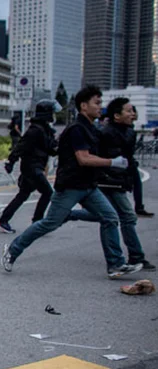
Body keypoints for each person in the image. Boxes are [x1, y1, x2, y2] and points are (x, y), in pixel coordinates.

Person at [1, 85, 142, 279]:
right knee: (49, 223)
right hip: (70, 186)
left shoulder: (90, 128)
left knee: (110, 217)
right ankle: (13, 250)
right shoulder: (77, 129)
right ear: (84, 106)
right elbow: (83, 158)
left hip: (89, 186)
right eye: (97, 103)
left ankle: (115, 264)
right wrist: (113, 162)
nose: (100, 107)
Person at [67, 98, 155, 271]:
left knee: (106, 216)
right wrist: (107, 175)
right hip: (108, 181)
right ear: (116, 115)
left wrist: (134, 187)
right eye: (129, 111)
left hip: (120, 181)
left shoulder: (130, 132)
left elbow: (129, 161)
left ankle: (69, 214)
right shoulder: (105, 133)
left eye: (133, 111)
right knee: (125, 217)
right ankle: (134, 256)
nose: (133, 114)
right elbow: (93, 157)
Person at [0, 99, 60, 233]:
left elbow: (51, 148)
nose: (54, 115)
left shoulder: (45, 129)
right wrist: (11, 162)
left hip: (35, 166)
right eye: (52, 112)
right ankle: (37, 222)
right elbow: (21, 146)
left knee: (23, 195)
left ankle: (3, 219)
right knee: (48, 193)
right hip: (32, 167)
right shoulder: (35, 130)